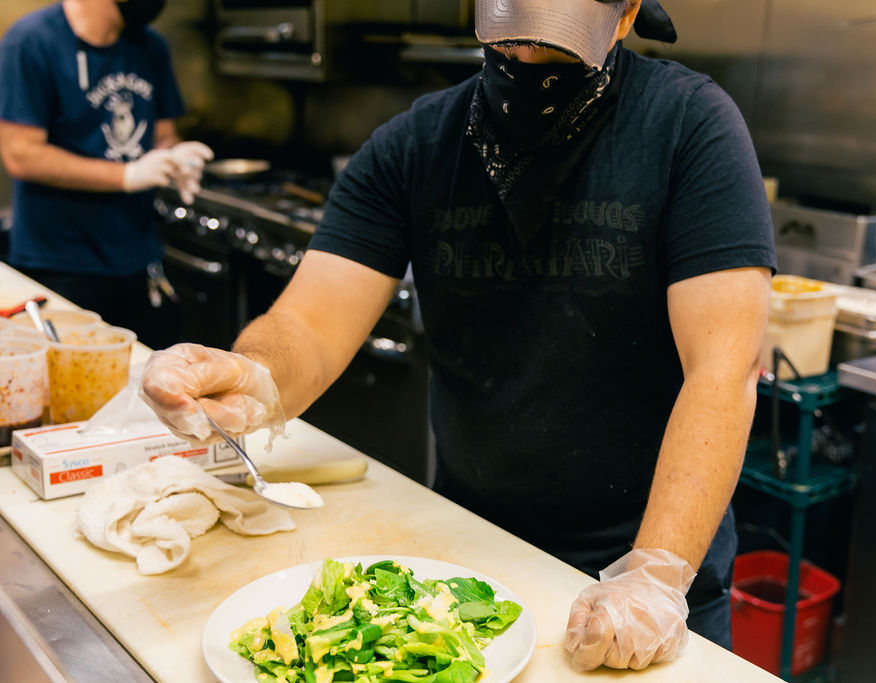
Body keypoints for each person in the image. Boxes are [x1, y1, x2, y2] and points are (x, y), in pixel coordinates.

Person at [141, 0, 776, 671]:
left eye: (555, 47)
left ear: (624, 15)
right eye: (510, 44)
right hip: (471, 563)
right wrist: (252, 375)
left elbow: (722, 371)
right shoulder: (416, 146)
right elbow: (309, 324)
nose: (527, 62)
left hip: (650, 573)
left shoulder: (688, 127)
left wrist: (651, 579)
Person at [0, 0, 213, 348]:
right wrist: (126, 176)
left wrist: (176, 158)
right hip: (60, 264)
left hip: (139, 257)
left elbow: (163, 135)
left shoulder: (150, 45)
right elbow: (21, 154)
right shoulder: (31, 41)